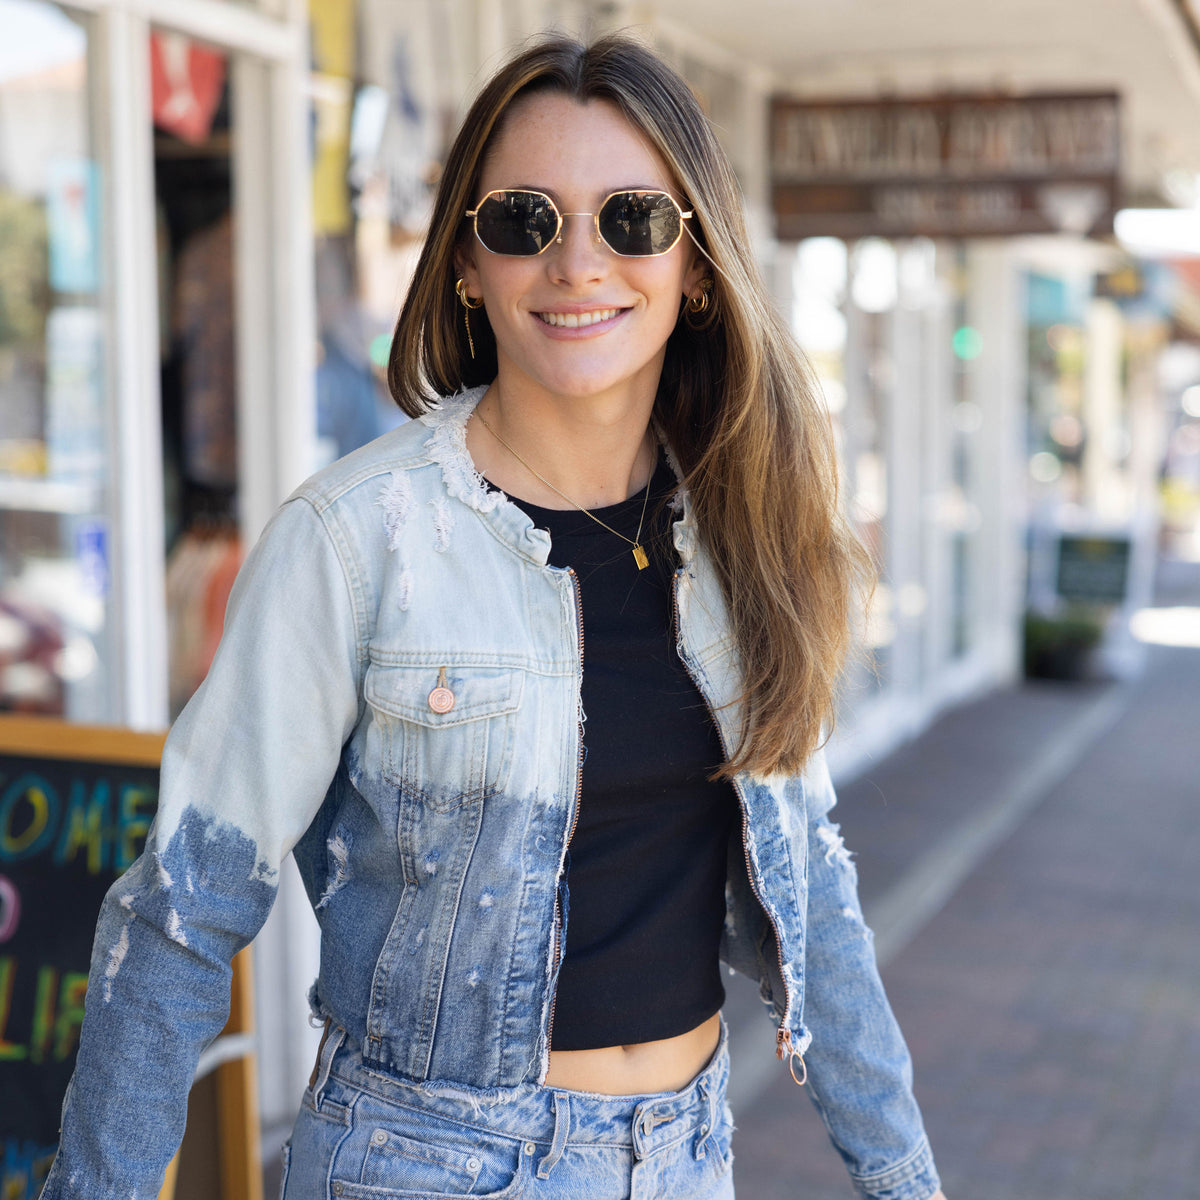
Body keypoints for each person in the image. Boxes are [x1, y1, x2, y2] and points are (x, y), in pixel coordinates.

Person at [44, 33, 947, 1200]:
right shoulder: (356, 539)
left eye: (632, 219)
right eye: (526, 220)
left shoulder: (749, 535)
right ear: (469, 261)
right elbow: (182, 913)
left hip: (686, 1157)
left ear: (696, 263)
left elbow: (816, 899)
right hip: (420, 1166)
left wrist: (904, 1177)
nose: (579, 263)